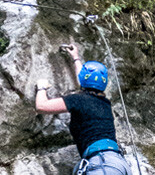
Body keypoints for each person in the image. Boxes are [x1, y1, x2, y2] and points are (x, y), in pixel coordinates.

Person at [34, 43, 132, 175]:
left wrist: (41, 88)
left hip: (102, 164)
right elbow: (85, 82)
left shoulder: (78, 100)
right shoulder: (104, 103)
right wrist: (75, 57)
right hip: (119, 165)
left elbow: (41, 106)